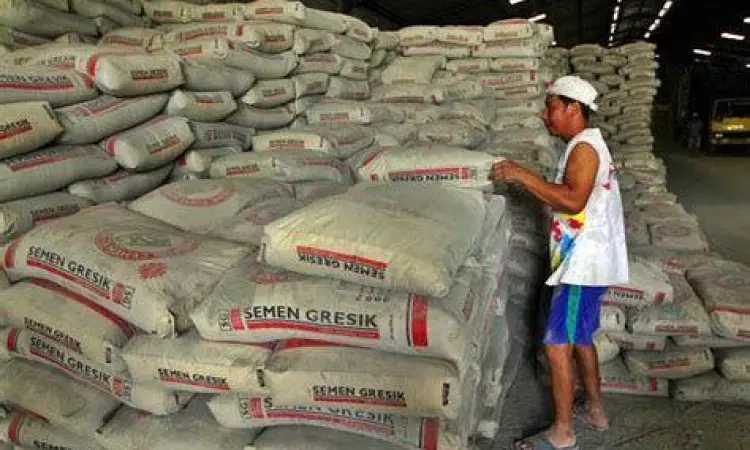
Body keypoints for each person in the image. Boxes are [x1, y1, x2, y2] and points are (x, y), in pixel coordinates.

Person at [491, 76, 629, 450]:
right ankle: (596, 411)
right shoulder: (583, 145)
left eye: (551, 107)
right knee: (580, 337)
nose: (545, 114)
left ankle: (563, 434)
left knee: (557, 345)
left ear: (573, 108)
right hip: (585, 260)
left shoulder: (584, 148)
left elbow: (572, 200)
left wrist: (522, 175)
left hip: (583, 265)